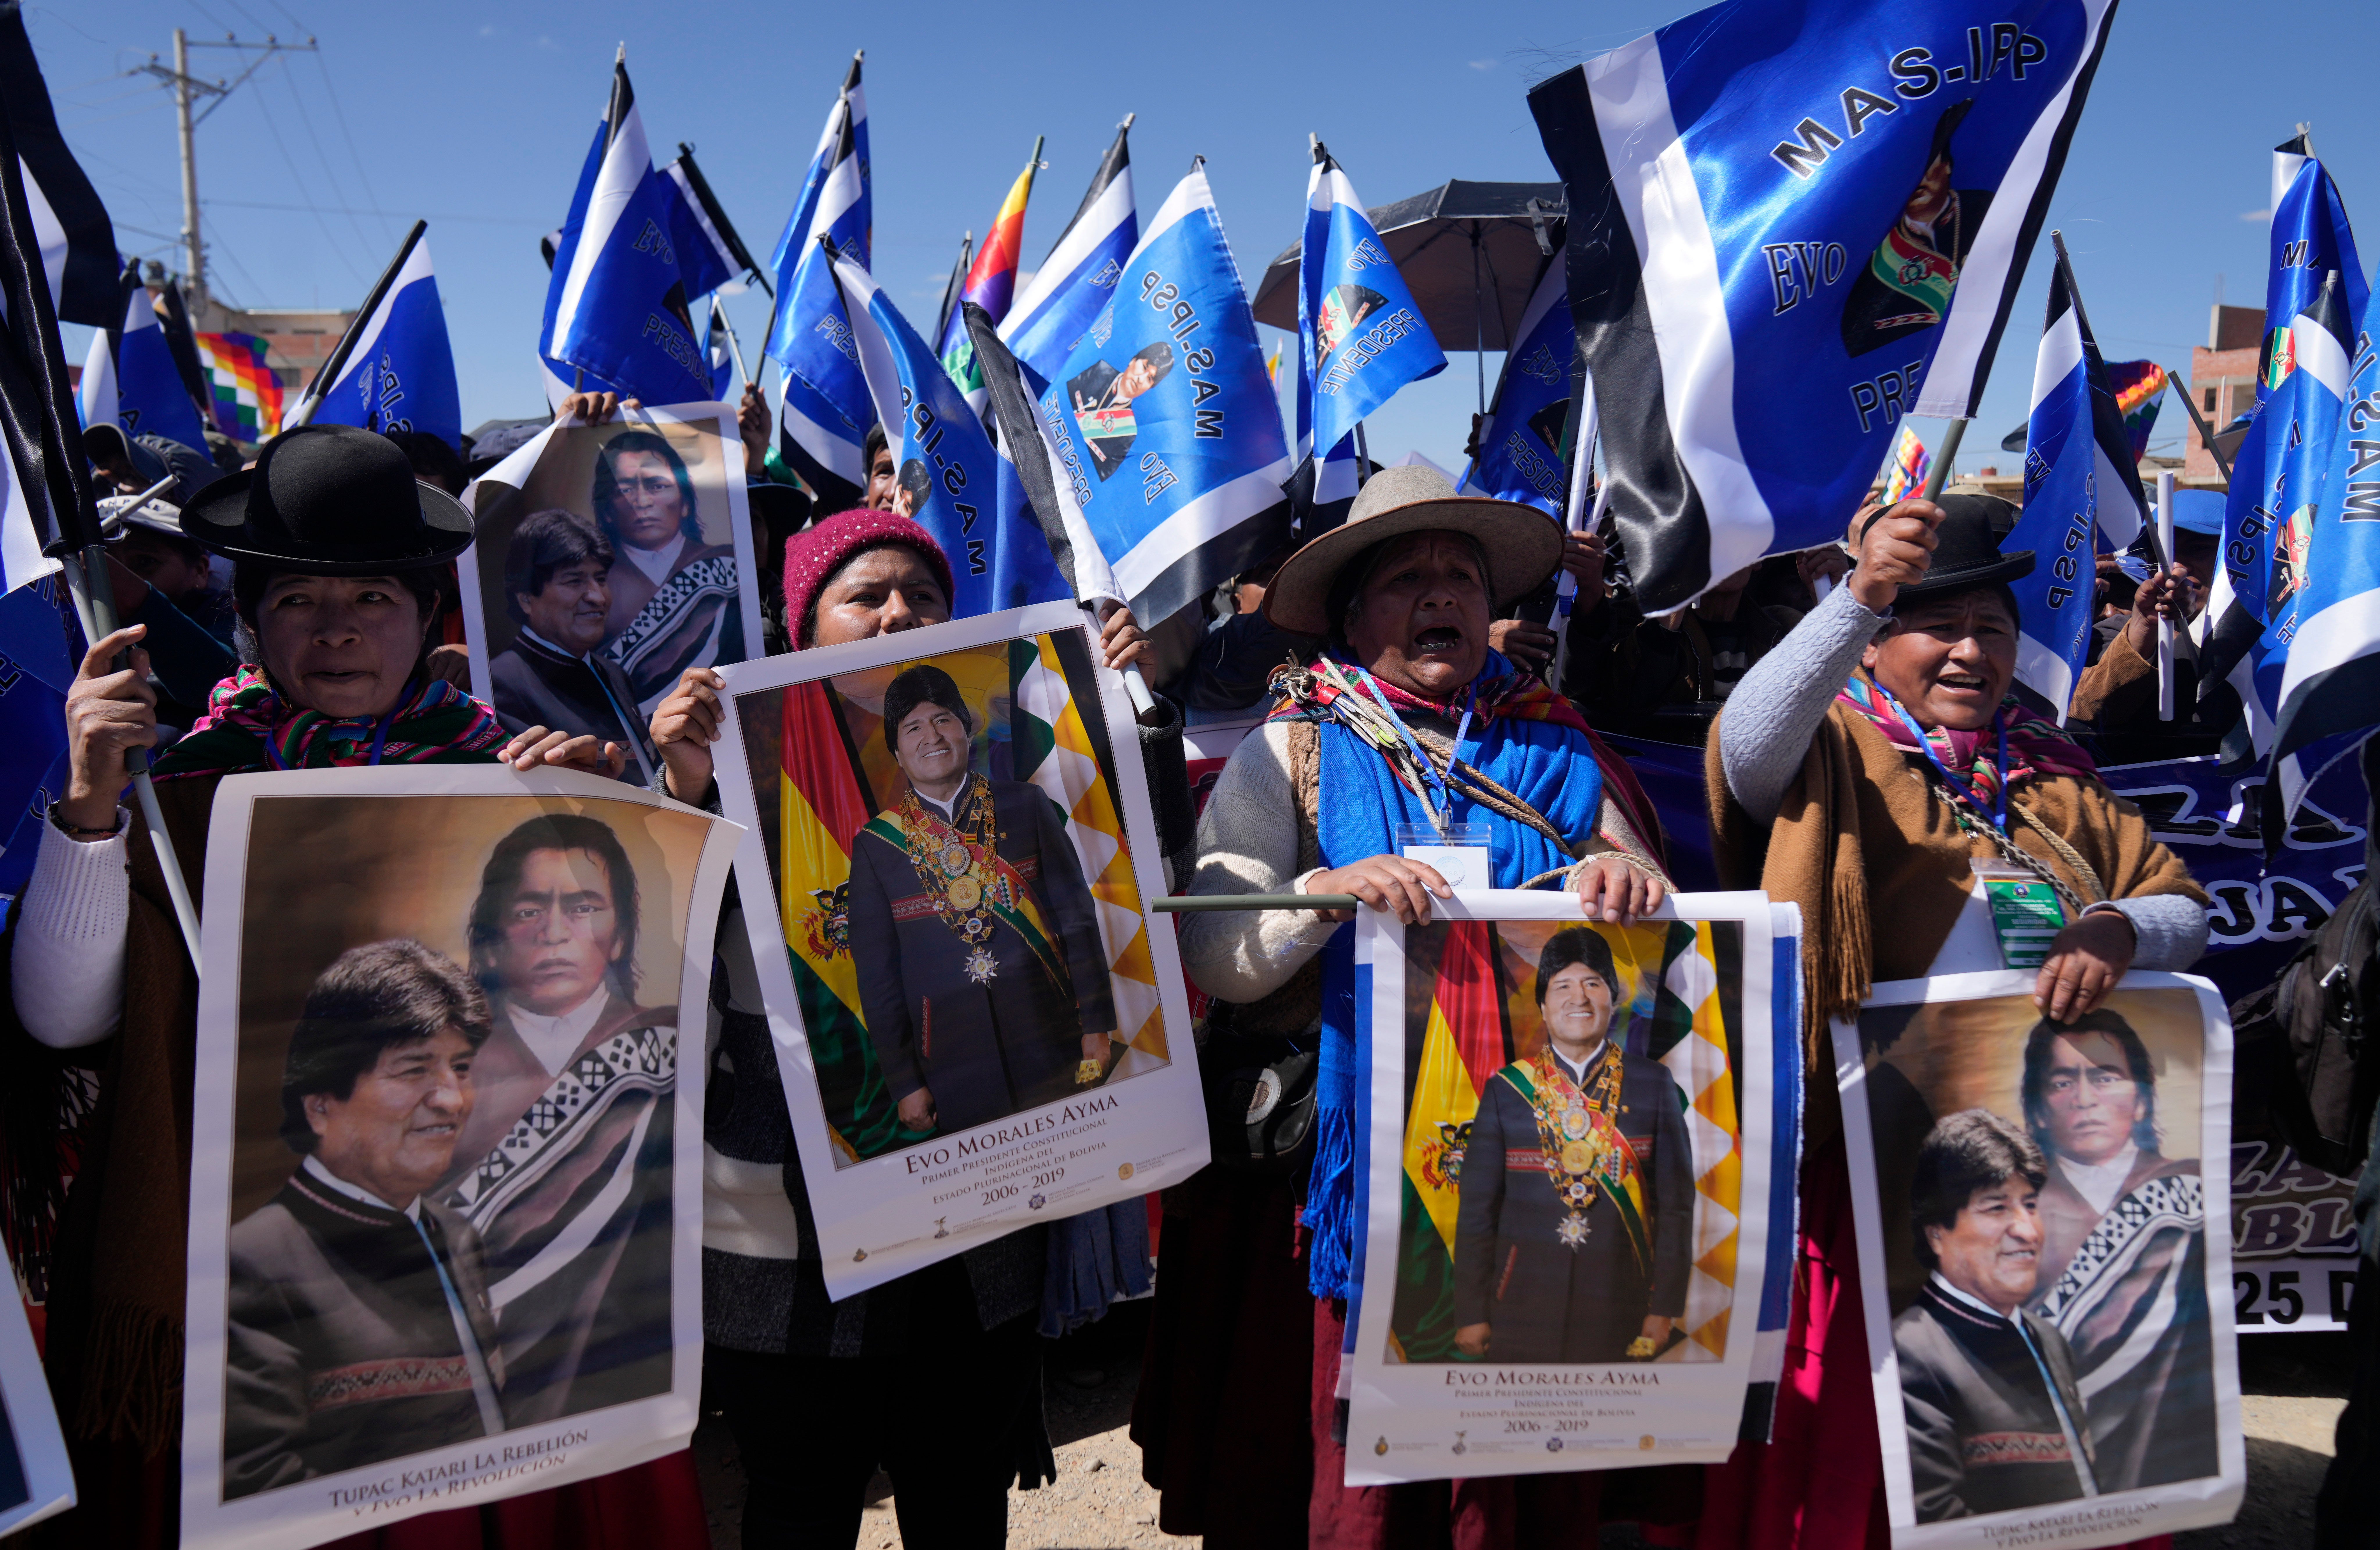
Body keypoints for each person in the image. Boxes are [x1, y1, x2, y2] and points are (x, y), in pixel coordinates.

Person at [1, 421, 710, 1549]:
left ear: (426, 617)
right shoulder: (185, 790)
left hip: (496, 1287)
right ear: (250, 619)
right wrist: (90, 810)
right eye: (297, 600)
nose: (335, 628)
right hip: (262, 1307)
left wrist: (611, 824)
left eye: (372, 598)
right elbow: (62, 1021)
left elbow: (636, 1016)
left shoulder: (510, 776)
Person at [1146, 463, 1675, 1546]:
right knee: (1349, 1486)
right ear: (1352, 618)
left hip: (1534, 1166)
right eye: (1405, 579)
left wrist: (1622, 882)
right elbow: (1217, 954)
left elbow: (1653, 910)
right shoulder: (1292, 746)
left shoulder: (1558, 748)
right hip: (1343, 1185)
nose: (1440, 595)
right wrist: (1323, 892)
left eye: (1460, 578)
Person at [1700, 490, 2209, 1545]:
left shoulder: (2050, 770)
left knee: (2025, 1435)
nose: (1970, 651)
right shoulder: (1828, 748)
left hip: (2032, 1167)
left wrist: (2116, 926)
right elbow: (1744, 741)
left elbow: (2182, 907)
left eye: (1991, 628)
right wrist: (1859, 593)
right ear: (1876, 643)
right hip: (1870, 1160)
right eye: (1938, 626)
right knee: (1879, 1433)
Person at [224, 940, 503, 1498]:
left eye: (461, 1068)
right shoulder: (254, 1261)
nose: (452, 1100)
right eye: (414, 1069)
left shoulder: (456, 1235)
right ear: (320, 1104)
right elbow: (256, 1483)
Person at [438, 813, 676, 1422]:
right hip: (479, 1400)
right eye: (527, 910)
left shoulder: (673, 1044)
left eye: (583, 907)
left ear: (619, 935)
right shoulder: (440, 1078)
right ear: (493, 937)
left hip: (640, 1379)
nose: (553, 932)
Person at [846, 664, 1119, 1136]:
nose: (932, 736)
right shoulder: (875, 846)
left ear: (966, 730)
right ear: (897, 753)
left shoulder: (1027, 805)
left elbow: (1077, 921)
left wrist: (1097, 1023)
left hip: (1051, 1037)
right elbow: (877, 979)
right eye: (913, 728)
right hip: (948, 1062)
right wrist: (904, 1081)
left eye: (943, 720)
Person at [1452, 928, 1691, 1364]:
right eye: (1562, 986)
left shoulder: (1654, 1084)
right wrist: (1471, 1311)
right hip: (1519, 1306)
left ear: (1612, 999)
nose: (1578, 998)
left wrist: (1664, 1309)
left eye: (1592, 984)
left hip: (1623, 1304)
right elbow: (1477, 1212)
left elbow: (1676, 1209)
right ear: (1543, 1008)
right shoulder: (1507, 1090)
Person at [2019, 1010, 2214, 1492]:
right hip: (2046, 1462)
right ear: (2038, 1109)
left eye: (2106, 1078)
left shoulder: (2193, 1190)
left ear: (2141, 1100)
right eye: (2062, 1082)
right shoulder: (2010, 1215)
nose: (2085, 1098)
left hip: (2170, 1453)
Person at [1895, 1109, 2100, 1522]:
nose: (2028, 1231)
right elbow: (1935, 1517)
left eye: (2030, 1205)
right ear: (1937, 1234)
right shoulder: (1910, 1351)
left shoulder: (2047, 1337)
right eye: (1996, 1208)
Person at [488, 508, 661, 783]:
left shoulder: (613, 673)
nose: (598, 597)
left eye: (601, 579)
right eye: (574, 581)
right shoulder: (497, 685)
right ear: (526, 599)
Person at [591, 428, 744, 713]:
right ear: (607, 511)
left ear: (685, 503)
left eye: (657, 486)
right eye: (625, 490)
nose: (642, 501)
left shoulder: (729, 563)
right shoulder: (595, 587)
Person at [2071, 488, 2234, 735]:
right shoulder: (2116, 633)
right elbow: (2088, 708)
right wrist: (2144, 627)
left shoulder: (2267, 630)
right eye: (2161, 553)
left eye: (2198, 549)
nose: (2175, 567)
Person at [1068, 341, 1174, 477]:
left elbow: (1103, 473)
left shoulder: (1127, 431)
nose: (1141, 379)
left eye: (1149, 379)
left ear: (1150, 388)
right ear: (1133, 361)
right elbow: (1063, 394)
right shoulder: (1100, 371)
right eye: (1144, 367)